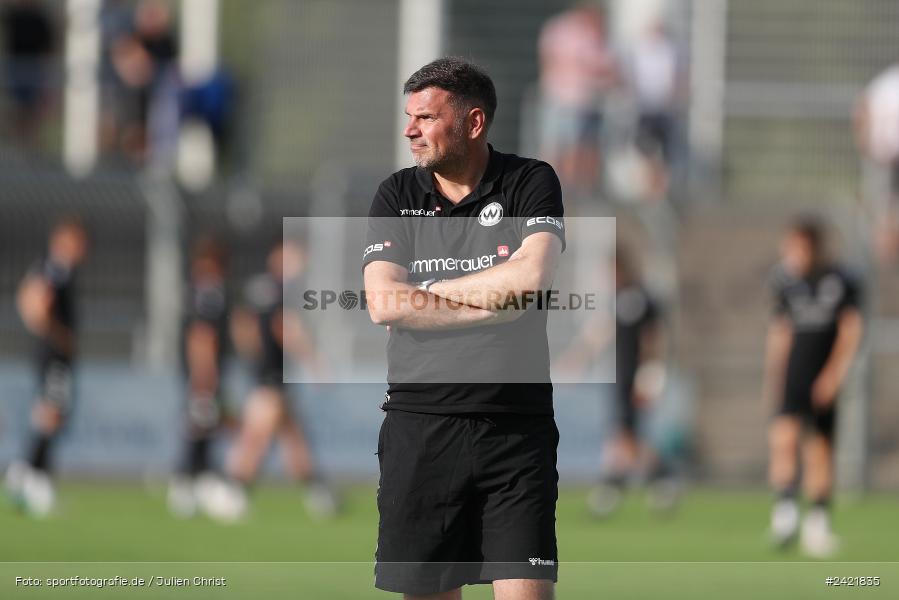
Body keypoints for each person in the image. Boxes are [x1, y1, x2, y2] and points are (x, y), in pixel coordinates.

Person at [363, 57, 565, 599]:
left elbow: (531, 278)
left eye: (426, 117)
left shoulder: (530, 180)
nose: (410, 130)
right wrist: (493, 301)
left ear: (473, 122)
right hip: (420, 429)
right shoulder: (396, 195)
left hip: (516, 431)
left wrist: (425, 294)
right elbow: (383, 301)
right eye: (410, 117)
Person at [209, 240, 336, 523]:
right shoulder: (279, 290)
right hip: (271, 375)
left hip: (266, 372)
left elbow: (241, 323)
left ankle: (317, 491)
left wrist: (252, 354)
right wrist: (314, 362)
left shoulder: (259, 288)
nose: (299, 265)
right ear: (277, 257)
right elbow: (285, 328)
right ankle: (231, 488)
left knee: (293, 436)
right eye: (294, 257)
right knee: (257, 437)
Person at [763, 217, 864, 558]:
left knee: (819, 450)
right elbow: (780, 331)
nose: (791, 254)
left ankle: (817, 525)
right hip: (793, 375)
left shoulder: (839, 280)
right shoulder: (785, 282)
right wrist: (774, 376)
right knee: (783, 440)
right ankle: (785, 515)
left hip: (823, 378)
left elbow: (851, 329)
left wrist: (834, 375)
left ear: (813, 248)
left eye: (797, 248)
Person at [557, 245, 673, 516]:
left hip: (636, 376)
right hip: (621, 377)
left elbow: (653, 337)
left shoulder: (639, 298)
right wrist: (576, 361)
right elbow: (602, 331)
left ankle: (636, 483)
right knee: (624, 434)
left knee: (625, 434)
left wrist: (651, 372)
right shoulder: (618, 299)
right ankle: (637, 483)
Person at [5, 219, 89, 516]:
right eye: (79, 243)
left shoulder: (49, 266)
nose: (83, 250)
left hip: (51, 353)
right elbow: (35, 302)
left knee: (52, 413)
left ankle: (26, 473)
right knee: (51, 414)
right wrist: (57, 334)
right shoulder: (56, 267)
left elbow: (25, 296)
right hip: (53, 354)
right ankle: (33, 476)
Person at [167, 235, 231, 518]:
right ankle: (186, 483)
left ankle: (197, 480)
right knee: (200, 424)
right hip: (203, 372)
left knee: (203, 423)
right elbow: (201, 336)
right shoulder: (209, 292)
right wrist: (205, 374)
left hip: (197, 371)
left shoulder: (195, 291)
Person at [536, 4, 618, 197]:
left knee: (582, 152)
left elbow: (606, 67)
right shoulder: (564, 31)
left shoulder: (593, 35)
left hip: (585, 102)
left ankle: (574, 194)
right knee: (561, 150)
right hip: (565, 100)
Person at [0, 0, 56, 146]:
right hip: (16, 70)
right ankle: (19, 144)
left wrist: (45, 78)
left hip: (34, 71)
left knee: (32, 113)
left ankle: (30, 145)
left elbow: (48, 50)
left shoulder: (40, 19)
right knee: (17, 111)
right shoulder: (14, 16)